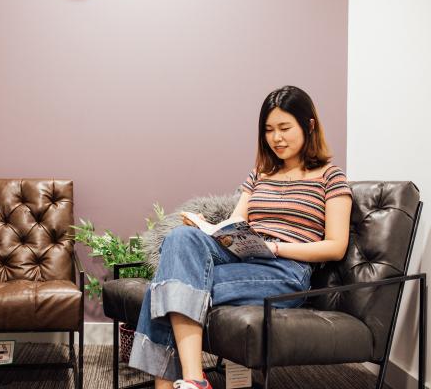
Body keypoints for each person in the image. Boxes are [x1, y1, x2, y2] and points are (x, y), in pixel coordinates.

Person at [127, 85, 353, 389]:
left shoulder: (330, 176)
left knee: (167, 285)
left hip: (285, 271)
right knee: (182, 237)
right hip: (245, 255)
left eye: (285, 128)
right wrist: (209, 228)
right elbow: (237, 219)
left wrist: (275, 247)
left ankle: (178, 384)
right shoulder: (260, 173)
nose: (276, 138)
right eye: (269, 130)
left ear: (309, 125)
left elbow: (336, 247)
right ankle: (194, 380)